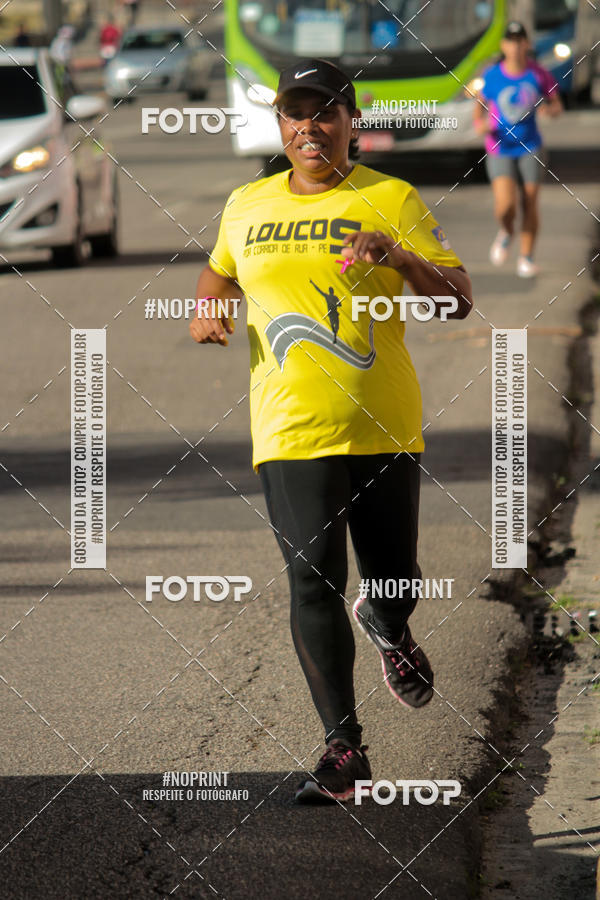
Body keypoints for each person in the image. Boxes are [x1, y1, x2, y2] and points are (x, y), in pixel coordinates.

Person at [190, 58, 473, 803]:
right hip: (289, 428)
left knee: (396, 579)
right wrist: (206, 306)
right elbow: (219, 269)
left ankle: (387, 621)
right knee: (311, 576)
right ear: (280, 124)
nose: (308, 128)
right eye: (294, 114)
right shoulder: (246, 204)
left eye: (324, 114)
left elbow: (458, 299)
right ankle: (343, 748)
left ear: (352, 121)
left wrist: (401, 256)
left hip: (384, 425)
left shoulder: (391, 196)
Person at [473, 20, 562, 278]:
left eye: (520, 41)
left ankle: (526, 256)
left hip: (530, 146)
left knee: (530, 201)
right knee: (505, 206)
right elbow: (478, 106)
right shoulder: (491, 75)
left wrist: (549, 109)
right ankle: (507, 231)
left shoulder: (538, 74)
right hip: (499, 147)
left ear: (527, 44)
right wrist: (480, 124)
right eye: (511, 41)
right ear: (504, 45)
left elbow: (557, 104)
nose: (515, 46)